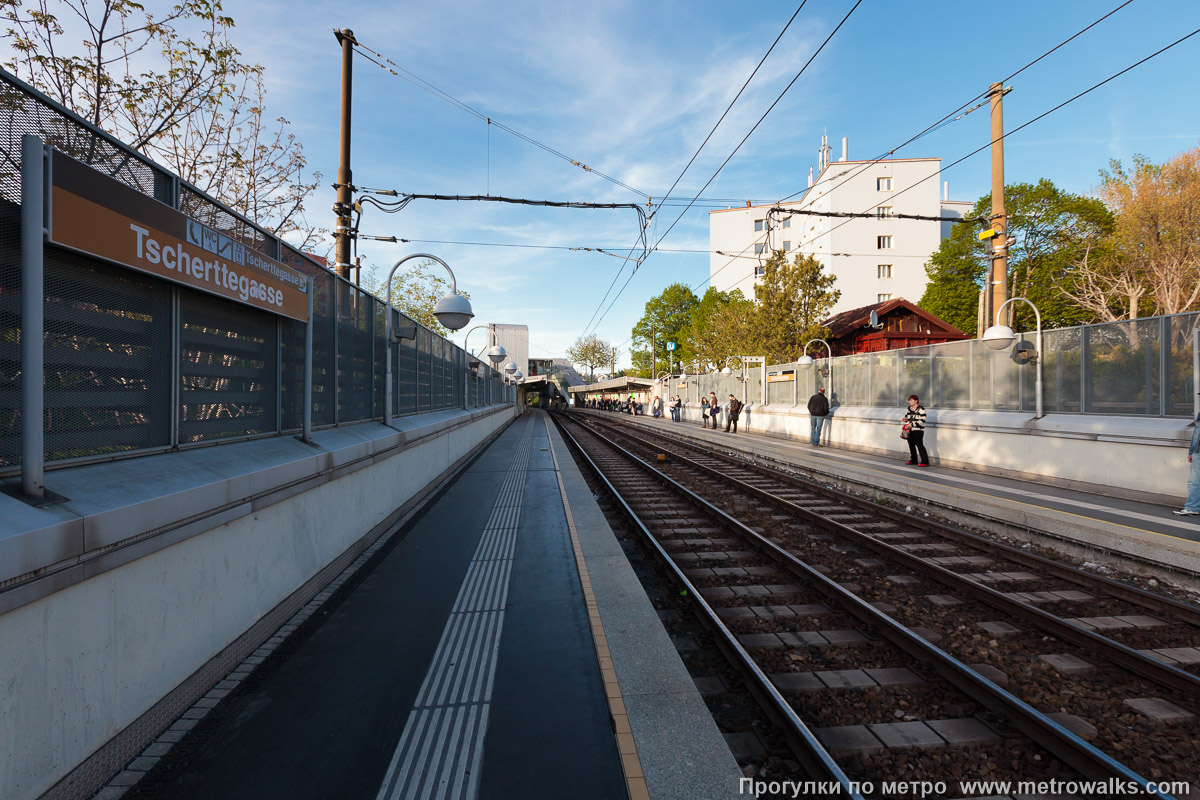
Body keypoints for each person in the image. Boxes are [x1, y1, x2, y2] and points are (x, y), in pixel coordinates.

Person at [1174, 408, 1200, 516]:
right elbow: (1197, 434)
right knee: (1194, 481)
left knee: (1194, 481)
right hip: (1198, 452)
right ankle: (1192, 507)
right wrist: (1191, 452)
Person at [903, 394, 929, 466]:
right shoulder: (908, 409)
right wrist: (906, 420)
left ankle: (925, 461)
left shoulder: (921, 409)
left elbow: (923, 420)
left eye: (911, 400)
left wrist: (912, 424)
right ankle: (913, 460)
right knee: (911, 445)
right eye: (909, 400)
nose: (910, 402)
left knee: (919, 445)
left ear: (916, 401)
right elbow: (907, 417)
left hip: (918, 430)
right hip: (909, 430)